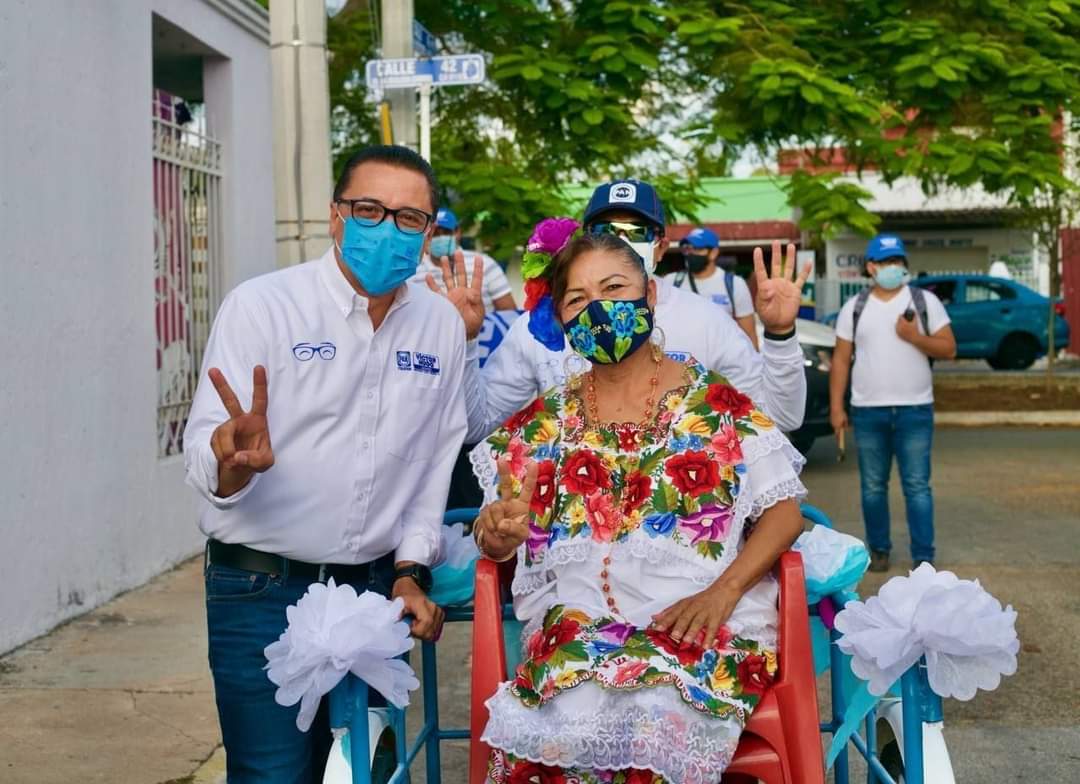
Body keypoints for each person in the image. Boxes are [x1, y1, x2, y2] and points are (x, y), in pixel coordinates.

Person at [470, 226, 807, 783]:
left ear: (649, 296)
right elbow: (497, 529)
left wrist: (723, 592)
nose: (598, 310)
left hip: (696, 623)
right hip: (581, 627)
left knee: (648, 724)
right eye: (578, 299)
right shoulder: (544, 421)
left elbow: (784, 511)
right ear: (561, 317)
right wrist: (497, 533)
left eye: (614, 289)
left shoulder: (714, 403)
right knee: (547, 738)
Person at [183, 145, 466, 782]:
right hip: (258, 589)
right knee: (271, 774)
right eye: (371, 209)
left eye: (409, 218)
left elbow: (431, 463)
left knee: (361, 772)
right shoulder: (263, 306)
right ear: (336, 215)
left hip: (372, 594)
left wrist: (410, 570)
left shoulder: (440, 326)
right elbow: (206, 451)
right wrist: (234, 463)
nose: (388, 229)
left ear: (429, 231)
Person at [450, 179, 810, 445]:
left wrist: (780, 334)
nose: (619, 240)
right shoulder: (545, 323)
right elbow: (476, 426)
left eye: (634, 230)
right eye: (605, 230)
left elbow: (780, 417)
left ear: (660, 246)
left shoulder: (707, 322)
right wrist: (465, 340)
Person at [829, 234, 957, 573]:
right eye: (886, 262)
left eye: (898, 261)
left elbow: (949, 348)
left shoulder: (924, 302)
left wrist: (915, 337)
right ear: (871, 267)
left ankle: (923, 556)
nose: (894, 268)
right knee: (872, 486)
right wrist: (836, 408)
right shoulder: (854, 307)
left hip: (915, 409)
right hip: (868, 411)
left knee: (917, 486)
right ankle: (880, 550)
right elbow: (841, 360)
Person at [668, 226, 758, 349]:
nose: (691, 253)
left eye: (697, 249)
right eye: (687, 249)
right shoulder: (671, 282)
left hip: (721, 364)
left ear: (713, 253)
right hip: (681, 363)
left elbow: (749, 336)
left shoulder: (734, 285)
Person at [412, 207, 517, 313]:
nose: (440, 237)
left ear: (458, 232)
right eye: (435, 233)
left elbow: (509, 313)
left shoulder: (483, 263)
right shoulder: (414, 270)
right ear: (427, 236)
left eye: (446, 232)